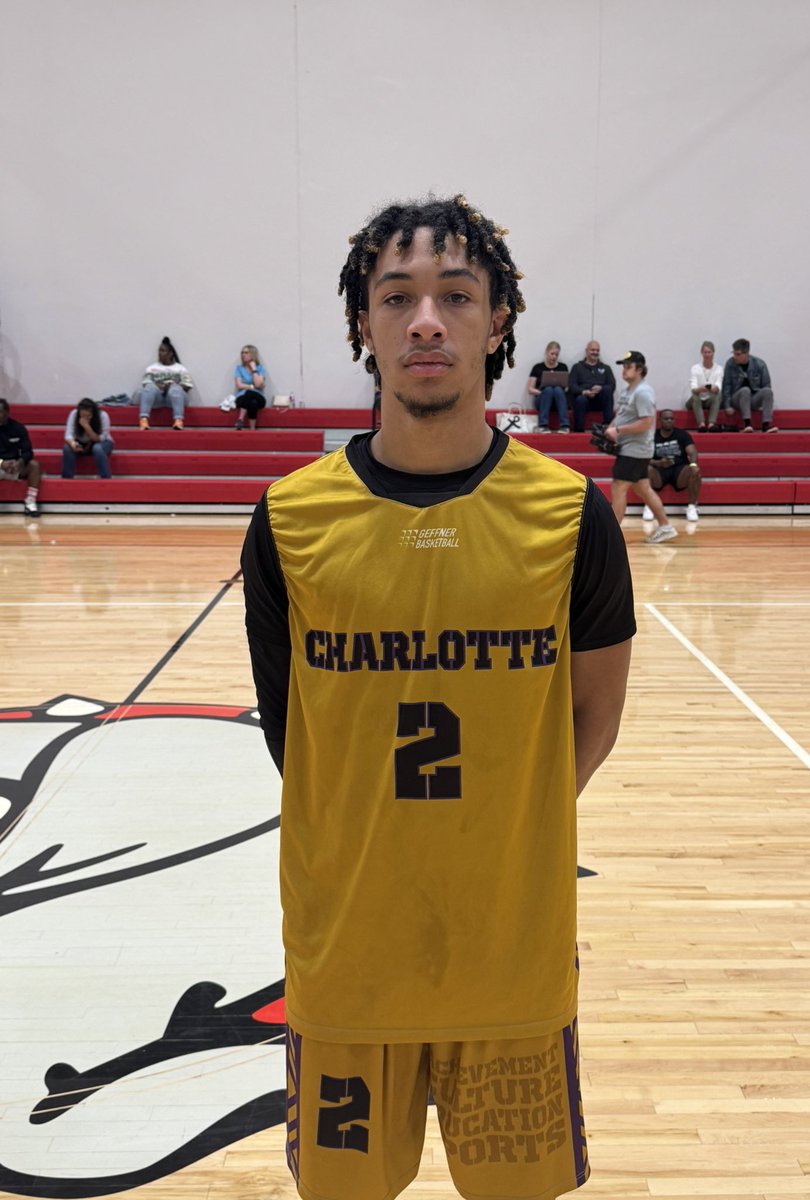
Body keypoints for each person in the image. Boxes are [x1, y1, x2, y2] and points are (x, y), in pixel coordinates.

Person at [241, 194, 636, 1200]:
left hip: (511, 955)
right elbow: (296, 736)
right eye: (398, 297)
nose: (427, 321)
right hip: (347, 957)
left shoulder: (570, 515)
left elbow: (593, 719)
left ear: (497, 322)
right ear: (362, 322)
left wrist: (503, 825)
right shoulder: (289, 519)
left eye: (456, 296)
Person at [604, 350, 677, 542]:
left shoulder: (643, 392)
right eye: (623, 366)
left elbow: (646, 422)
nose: (624, 370)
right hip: (630, 448)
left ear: (640, 370)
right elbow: (622, 415)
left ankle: (611, 535)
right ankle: (666, 526)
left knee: (618, 487)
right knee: (643, 488)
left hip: (635, 449)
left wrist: (618, 430)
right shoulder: (628, 390)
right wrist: (610, 429)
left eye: (629, 366)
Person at [642, 408, 701, 522]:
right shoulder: (652, 436)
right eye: (666, 418)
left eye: (671, 418)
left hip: (679, 470)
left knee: (695, 470)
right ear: (660, 420)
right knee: (646, 469)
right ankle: (649, 505)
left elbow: (692, 452)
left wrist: (693, 464)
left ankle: (692, 507)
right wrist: (659, 463)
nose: (669, 421)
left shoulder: (682, 434)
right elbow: (644, 457)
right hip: (659, 470)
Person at [133, 336, 193, 430]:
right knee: (150, 387)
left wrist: (171, 387)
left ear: (170, 354)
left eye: (163, 351)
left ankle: (178, 421)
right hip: (157, 398)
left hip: (175, 399)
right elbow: (146, 384)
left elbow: (187, 386)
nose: (160, 353)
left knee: (175, 388)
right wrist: (159, 386)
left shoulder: (180, 368)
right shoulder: (151, 368)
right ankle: (144, 420)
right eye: (159, 351)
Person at [721, 338, 776, 432]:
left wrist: (763, 401)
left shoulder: (760, 364)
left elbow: (766, 384)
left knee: (768, 391)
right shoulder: (730, 364)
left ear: (746, 353)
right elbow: (726, 386)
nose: (735, 356)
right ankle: (747, 424)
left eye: (738, 354)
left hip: (753, 398)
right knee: (745, 390)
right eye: (734, 353)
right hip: (737, 398)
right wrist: (727, 405)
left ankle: (766, 425)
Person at [0, 398, 42, 517]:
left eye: (0, 412)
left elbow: (28, 451)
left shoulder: (18, 428)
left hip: (15, 467)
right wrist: (1, 463)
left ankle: (30, 502)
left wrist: (20, 462)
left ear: (7, 412)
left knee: (34, 465)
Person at [567, 340, 616, 430]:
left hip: (600, 401)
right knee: (580, 399)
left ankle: (607, 425)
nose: (595, 352)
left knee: (607, 389)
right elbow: (572, 386)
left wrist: (601, 388)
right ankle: (579, 431)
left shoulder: (606, 368)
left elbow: (612, 386)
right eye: (593, 350)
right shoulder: (577, 367)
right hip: (583, 400)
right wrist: (584, 392)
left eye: (597, 350)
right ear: (586, 351)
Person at [61, 398, 115, 479]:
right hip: (81, 442)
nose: (85, 418)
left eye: (89, 416)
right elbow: (68, 435)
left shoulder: (103, 416)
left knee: (97, 448)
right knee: (67, 448)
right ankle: (67, 479)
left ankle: (106, 479)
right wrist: (73, 444)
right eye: (83, 415)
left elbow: (101, 438)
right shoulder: (74, 414)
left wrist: (87, 427)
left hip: (102, 442)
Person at [528, 340, 570, 432]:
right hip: (542, 400)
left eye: (556, 355)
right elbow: (530, 389)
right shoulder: (537, 367)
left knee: (558, 389)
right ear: (546, 352)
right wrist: (542, 393)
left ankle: (564, 425)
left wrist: (565, 387)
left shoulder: (563, 367)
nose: (554, 357)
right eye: (552, 354)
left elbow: (567, 387)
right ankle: (543, 425)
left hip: (558, 400)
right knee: (548, 390)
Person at [688, 340, 724, 430]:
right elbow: (693, 388)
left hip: (710, 399)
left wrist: (712, 388)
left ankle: (711, 424)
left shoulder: (719, 369)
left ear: (713, 353)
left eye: (709, 352)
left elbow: (718, 386)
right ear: (701, 353)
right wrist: (701, 389)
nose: (707, 355)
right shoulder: (695, 368)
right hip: (697, 399)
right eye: (705, 352)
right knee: (695, 396)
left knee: (717, 396)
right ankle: (701, 424)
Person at [233, 344, 267, 430]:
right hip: (241, 398)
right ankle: (252, 430)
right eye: (242, 352)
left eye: (246, 352)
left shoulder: (260, 368)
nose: (243, 355)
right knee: (252, 402)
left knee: (249, 393)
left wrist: (254, 369)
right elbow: (239, 385)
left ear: (252, 354)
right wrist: (253, 386)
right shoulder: (239, 368)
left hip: (259, 397)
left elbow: (258, 384)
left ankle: (240, 419)